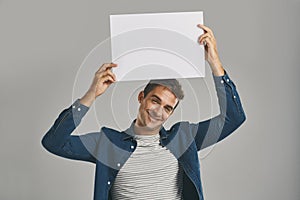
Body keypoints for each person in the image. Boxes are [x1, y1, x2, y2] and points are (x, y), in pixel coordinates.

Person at [41, 24, 246, 200]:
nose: (158, 112)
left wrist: (215, 63)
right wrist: (91, 94)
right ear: (141, 98)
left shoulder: (184, 138)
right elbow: (54, 142)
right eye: (155, 101)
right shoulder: (107, 144)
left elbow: (234, 118)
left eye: (167, 108)